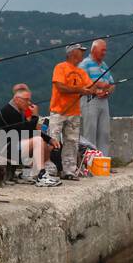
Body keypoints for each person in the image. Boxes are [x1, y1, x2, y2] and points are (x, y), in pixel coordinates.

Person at [0, 83, 59, 186]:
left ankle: (31, 173)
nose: (29, 103)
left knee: (40, 141)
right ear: (17, 99)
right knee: (37, 141)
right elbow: (25, 132)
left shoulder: (17, 110)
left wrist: (49, 139)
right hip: (2, 149)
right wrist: (35, 116)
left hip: (9, 145)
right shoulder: (10, 111)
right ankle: (41, 176)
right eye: (26, 100)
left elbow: (27, 131)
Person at [50, 43, 93, 180]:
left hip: (74, 112)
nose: (83, 53)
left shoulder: (82, 72)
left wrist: (97, 89)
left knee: (72, 142)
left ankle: (69, 171)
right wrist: (80, 90)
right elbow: (61, 87)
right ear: (73, 52)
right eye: (81, 51)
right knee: (53, 141)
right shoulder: (60, 67)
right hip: (58, 111)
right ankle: (51, 169)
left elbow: (90, 87)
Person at [79, 38, 115, 156]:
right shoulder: (85, 64)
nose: (104, 53)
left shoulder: (104, 65)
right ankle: (90, 162)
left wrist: (108, 91)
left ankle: (102, 160)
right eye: (102, 50)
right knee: (90, 131)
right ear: (94, 50)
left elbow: (112, 83)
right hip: (90, 100)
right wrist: (98, 85)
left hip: (104, 101)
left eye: (105, 50)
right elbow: (82, 82)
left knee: (104, 133)